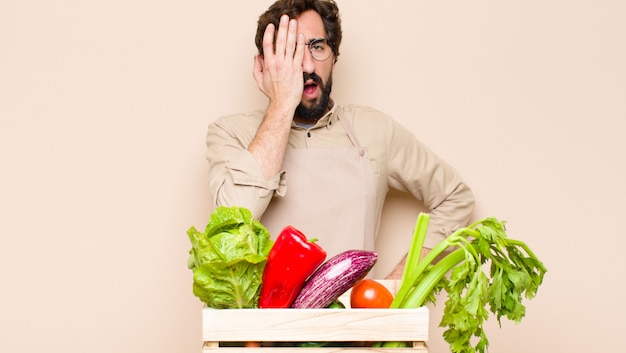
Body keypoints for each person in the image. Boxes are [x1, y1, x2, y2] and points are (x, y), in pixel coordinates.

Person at [205, 0, 474, 278]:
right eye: (291, 52)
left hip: (355, 320)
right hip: (262, 322)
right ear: (265, 66)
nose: (307, 65)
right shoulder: (231, 133)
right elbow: (233, 225)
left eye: (317, 47)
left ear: (334, 56)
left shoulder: (375, 130)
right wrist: (282, 103)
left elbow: (455, 197)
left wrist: (396, 283)